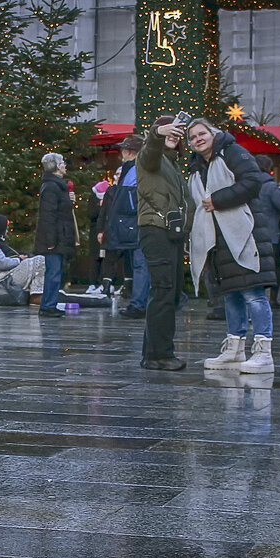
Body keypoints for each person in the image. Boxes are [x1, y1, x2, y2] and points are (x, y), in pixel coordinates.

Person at [186, 119, 278, 373]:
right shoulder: (197, 168)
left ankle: (263, 351)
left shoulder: (233, 152)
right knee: (232, 293)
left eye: (202, 133)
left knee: (253, 293)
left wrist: (217, 199)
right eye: (192, 137)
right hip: (218, 239)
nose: (197, 139)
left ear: (213, 133)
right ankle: (234, 349)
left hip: (245, 233)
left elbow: (252, 182)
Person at [136, 115, 193, 370]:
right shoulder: (152, 157)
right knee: (163, 290)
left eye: (177, 131)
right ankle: (160, 355)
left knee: (168, 291)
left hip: (169, 232)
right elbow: (150, 151)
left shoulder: (172, 164)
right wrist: (157, 132)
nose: (173, 134)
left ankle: (153, 354)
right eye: (169, 130)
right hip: (155, 230)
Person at [98, 135, 149, 317]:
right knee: (140, 263)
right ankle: (140, 302)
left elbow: (129, 200)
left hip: (133, 223)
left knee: (140, 264)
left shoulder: (133, 170)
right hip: (136, 222)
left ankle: (139, 304)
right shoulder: (138, 168)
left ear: (128, 152)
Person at [35, 152, 77, 317]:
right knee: (53, 272)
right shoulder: (52, 187)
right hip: (55, 237)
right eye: (63, 163)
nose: (65, 165)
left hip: (59, 235)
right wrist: (50, 240)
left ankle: (49, 304)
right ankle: (48, 305)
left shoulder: (57, 186)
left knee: (55, 271)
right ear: (57, 166)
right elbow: (48, 215)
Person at [253, 154, 280, 310]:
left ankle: (255, 297)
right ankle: (272, 299)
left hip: (250, 234)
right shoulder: (271, 187)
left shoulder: (246, 184)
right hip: (271, 234)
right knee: (274, 268)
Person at [0, 213, 46, 305]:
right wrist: (19, 260)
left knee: (38, 261)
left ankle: (38, 294)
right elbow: (2, 263)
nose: (7, 230)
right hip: (0, 278)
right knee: (41, 260)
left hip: (6, 274)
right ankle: (36, 296)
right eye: (6, 227)